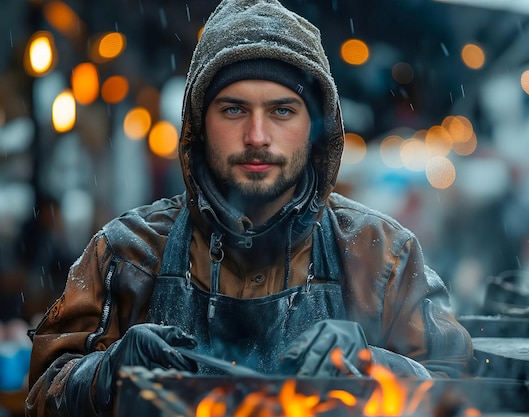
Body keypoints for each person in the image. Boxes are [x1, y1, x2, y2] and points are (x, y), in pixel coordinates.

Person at [26, 0, 474, 415]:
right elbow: (41, 397)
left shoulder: (381, 256)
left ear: (316, 128)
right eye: (234, 110)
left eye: (282, 111)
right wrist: (103, 375)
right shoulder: (127, 254)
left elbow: (459, 393)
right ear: (199, 124)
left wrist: (372, 363)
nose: (257, 136)